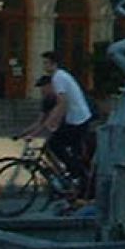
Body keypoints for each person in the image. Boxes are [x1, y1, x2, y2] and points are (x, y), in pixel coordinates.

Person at [40, 51, 93, 188]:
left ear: (54, 64)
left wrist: (51, 122)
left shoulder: (58, 77)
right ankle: (78, 178)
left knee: (54, 144)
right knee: (73, 152)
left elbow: (62, 103)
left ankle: (76, 174)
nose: (44, 66)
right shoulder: (61, 76)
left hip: (78, 119)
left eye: (46, 63)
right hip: (77, 118)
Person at [14, 75, 59, 141]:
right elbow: (39, 122)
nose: (41, 90)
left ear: (50, 85)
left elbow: (46, 123)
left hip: (68, 127)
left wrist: (32, 135)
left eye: (43, 86)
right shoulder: (46, 101)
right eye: (40, 87)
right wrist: (22, 133)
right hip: (54, 129)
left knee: (54, 145)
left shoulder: (59, 99)